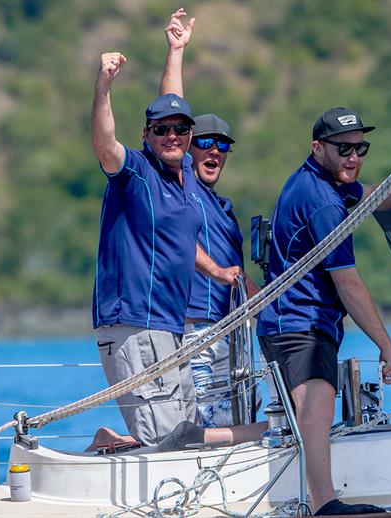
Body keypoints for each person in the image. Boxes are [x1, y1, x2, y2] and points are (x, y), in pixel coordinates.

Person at [255, 107, 391, 515]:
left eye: (360, 148)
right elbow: (348, 283)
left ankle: (211, 438)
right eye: (343, 148)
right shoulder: (323, 204)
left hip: (292, 321)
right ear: (318, 148)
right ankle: (325, 504)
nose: (353, 156)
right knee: (317, 405)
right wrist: (386, 347)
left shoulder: (321, 181)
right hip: (299, 323)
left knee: (306, 412)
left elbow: (373, 195)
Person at [91, 48, 243, 447]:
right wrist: (104, 86)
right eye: (161, 130)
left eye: (180, 129)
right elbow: (106, 144)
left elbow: (173, 100)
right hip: (135, 322)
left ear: (190, 136)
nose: (171, 136)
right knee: (169, 437)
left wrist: (176, 49)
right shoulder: (136, 173)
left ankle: (111, 442)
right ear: (146, 135)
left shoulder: (187, 177)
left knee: (185, 427)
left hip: (170, 325)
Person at [161, 8, 266, 432]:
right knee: (202, 421)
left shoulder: (223, 209)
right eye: (204, 142)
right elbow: (171, 114)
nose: (214, 151)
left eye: (223, 145)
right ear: (189, 145)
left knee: (241, 414)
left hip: (231, 329)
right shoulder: (180, 183)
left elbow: (237, 275)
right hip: (194, 329)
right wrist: (176, 52)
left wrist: (279, 307)